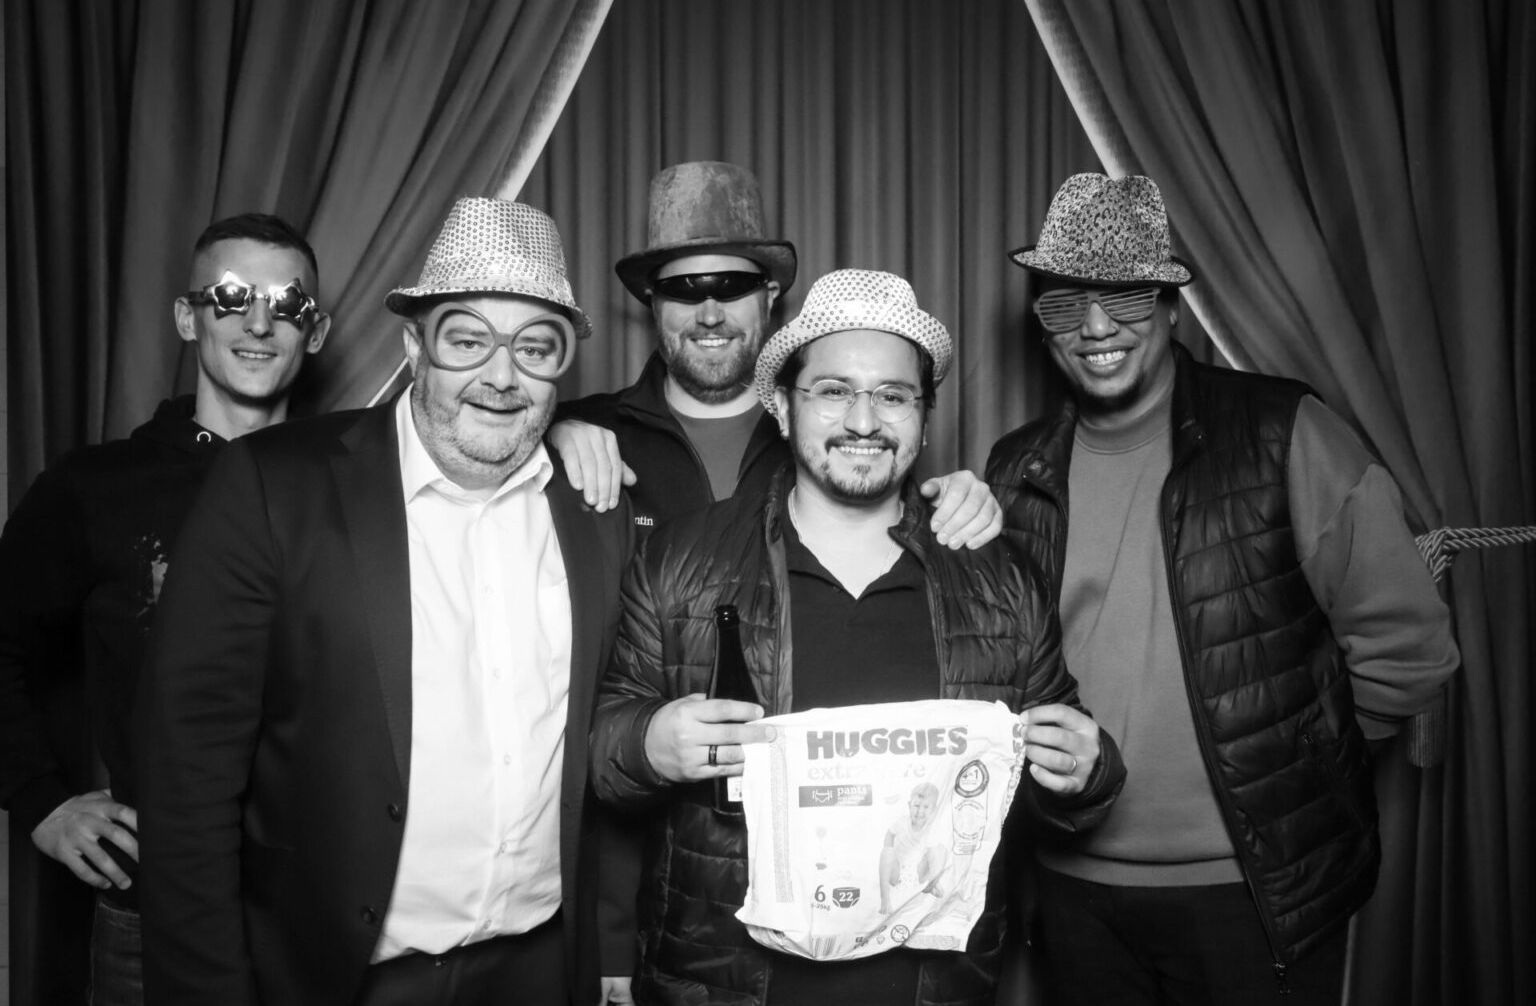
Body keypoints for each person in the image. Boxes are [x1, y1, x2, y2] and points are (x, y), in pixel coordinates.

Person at [133, 198, 633, 1006]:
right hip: (338, 976)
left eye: (535, 348)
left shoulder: (594, 506)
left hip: (541, 970)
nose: (502, 376)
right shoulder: (273, 485)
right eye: (467, 341)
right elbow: (187, 778)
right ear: (414, 347)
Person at [986, 173, 1461, 1004]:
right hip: (1071, 890)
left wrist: (1304, 768)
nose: (1095, 327)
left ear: (1173, 307)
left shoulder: (1286, 433)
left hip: (1255, 893)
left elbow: (1409, 651)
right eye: (1065, 303)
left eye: (1126, 297)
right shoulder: (1014, 467)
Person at [590, 268, 1125, 1006]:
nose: (864, 422)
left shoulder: (1000, 579)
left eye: (893, 396)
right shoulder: (681, 562)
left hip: (934, 986)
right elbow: (603, 747)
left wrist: (1087, 773)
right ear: (784, 408)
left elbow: (1044, 771)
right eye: (834, 391)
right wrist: (647, 743)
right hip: (728, 983)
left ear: (924, 420)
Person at [0, 213, 331, 1004]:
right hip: (152, 915)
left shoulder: (352, 481)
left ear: (314, 332)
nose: (259, 322)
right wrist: (40, 800)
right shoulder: (94, 488)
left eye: (287, 303)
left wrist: (570, 435)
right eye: (231, 297)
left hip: (324, 913)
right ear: (188, 317)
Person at [549, 160, 999, 547]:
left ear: (768, 298)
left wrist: (960, 505)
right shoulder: (586, 432)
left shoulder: (829, 428)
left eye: (733, 287)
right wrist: (548, 439)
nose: (710, 315)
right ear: (654, 303)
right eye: (683, 290)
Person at [879, 782, 947, 914]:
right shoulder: (902, 822)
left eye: (926, 807)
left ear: (934, 810)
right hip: (897, 873)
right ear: (909, 805)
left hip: (918, 873)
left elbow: (933, 858)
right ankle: (885, 899)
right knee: (886, 853)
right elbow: (890, 834)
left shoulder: (931, 829)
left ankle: (932, 883)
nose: (920, 811)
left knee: (940, 849)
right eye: (916, 806)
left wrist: (933, 874)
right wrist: (889, 853)